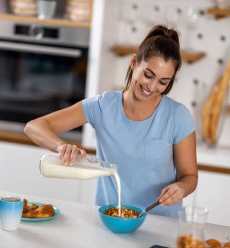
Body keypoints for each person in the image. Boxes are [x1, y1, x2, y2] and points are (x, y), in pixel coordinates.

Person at [24, 24, 198, 217]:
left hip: (160, 225)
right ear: (134, 62)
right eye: (148, 75)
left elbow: (189, 176)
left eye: (163, 82)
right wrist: (61, 146)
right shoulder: (103, 106)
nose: (152, 86)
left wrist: (181, 188)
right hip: (110, 220)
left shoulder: (177, 116)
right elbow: (33, 127)